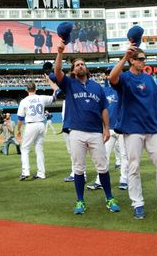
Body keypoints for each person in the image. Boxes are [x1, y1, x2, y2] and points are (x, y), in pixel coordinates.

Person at [108, 46, 157, 220]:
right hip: (132, 129)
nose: (142, 61)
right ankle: (137, 203)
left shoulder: (150, 79)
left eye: (144, 59)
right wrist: (124, 57)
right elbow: (112, 78)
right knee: (134, 167)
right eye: (139, 59)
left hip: (153, 128)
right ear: (132, 60)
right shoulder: (125, 78)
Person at [53, 43, 120, 215]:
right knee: (78, 168)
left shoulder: (97, 87)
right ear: (73, 71)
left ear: (86, 68)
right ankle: (80, 201)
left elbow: (104, 108)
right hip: (76, 131)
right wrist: (60, 53)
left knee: (103, 166)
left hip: (96, 131)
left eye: (82, 64)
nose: (80, 66)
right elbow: (57, 71)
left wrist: (106, 128)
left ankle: (109, 198)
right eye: (77, 65)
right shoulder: (69, 84)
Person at [88, 70, 127, 191]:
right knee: (103, 156)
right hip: (108, 129)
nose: (110, 75)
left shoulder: (124, 89)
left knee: (125, 155)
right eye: (108, 73)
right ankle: (99, 181)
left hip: (122, 127)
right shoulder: (104, 90)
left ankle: (124, 180)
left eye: (112, 73)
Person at [16, 81, 54, 180]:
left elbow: (20, 118)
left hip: (31, 125)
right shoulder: (42, 97)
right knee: (39, 149)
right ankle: (41, 173)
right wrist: (53, 84)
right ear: (35, 89)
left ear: (26, 90)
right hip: (41, 124)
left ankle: (25, 172)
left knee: (24, 149)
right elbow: (55, 97)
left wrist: (18, 130)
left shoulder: (24, 101)